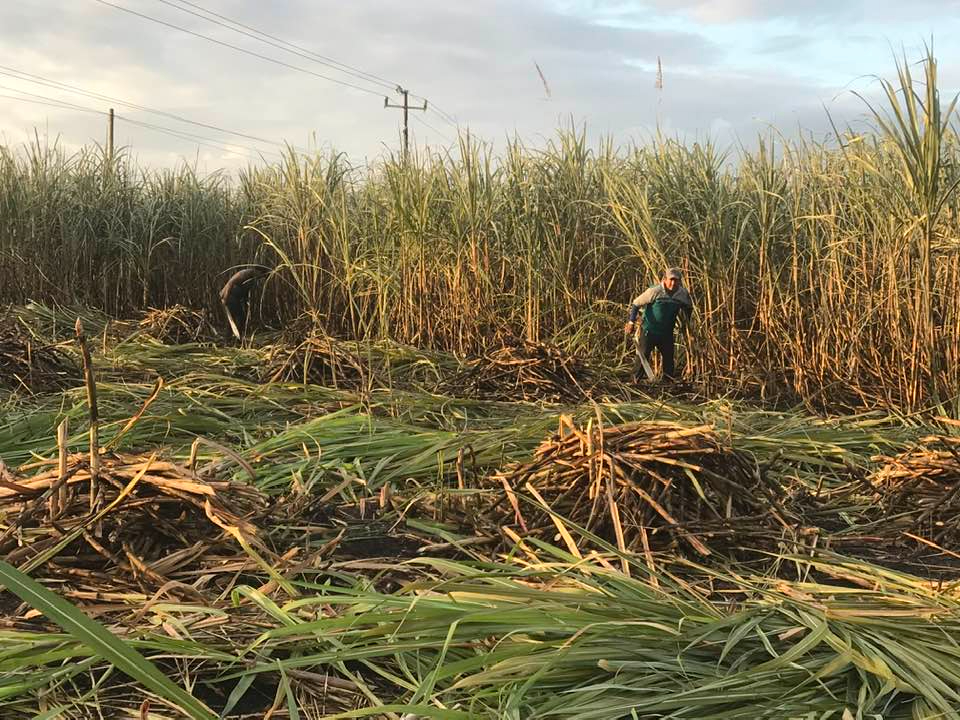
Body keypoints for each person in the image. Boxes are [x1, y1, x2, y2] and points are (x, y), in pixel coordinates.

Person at [624, 267, 692, 381]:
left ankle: (668, 385)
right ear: (665, 279)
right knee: (642, 358)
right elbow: (636, 304)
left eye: (676, 280)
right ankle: (634, 382)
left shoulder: (682, 294)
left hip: (666, 333)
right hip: (649, 331)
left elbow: (688, 307)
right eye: (671, 279)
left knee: (669, 360)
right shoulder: (655, 291)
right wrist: (631, 322)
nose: (673, 283)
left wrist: (686, 323)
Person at [220, 266, 268, 340]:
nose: (261, 278)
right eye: (262, 275)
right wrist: (225, 298)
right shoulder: (247, 273)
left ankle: (229, 337)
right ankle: (237, 337)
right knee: (240, 316)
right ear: (258, 272)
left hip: (234, 298)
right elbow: (230, 283)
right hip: (230, 297)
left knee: (234, 317)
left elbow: (244, 291)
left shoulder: (251, 278)